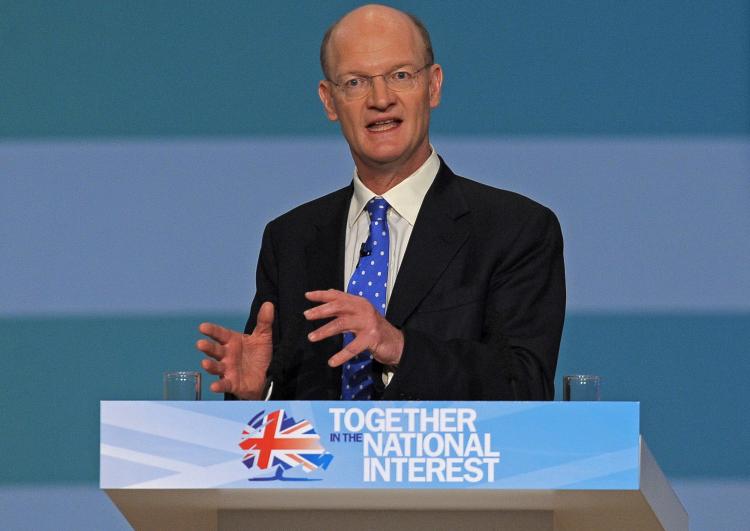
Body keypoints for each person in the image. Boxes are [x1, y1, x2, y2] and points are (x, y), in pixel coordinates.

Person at [197, 4, 565, 401]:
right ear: (329, 102)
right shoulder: (290, 239)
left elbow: (525, 385)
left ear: (433, 86)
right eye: (355, 82)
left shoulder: (515, 229)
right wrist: (259, 391)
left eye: (400, 76)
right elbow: (282, 419)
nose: (380, 99)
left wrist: (399, 347)